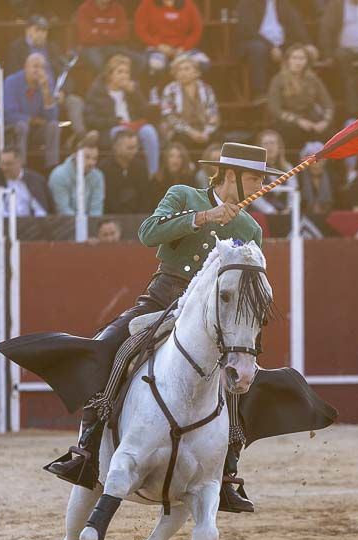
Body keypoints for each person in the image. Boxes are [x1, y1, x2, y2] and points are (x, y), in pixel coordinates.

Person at [38, 142, 293, 513]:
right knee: (110, 345)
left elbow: (246, 290)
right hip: (163, 298)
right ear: (231, 176)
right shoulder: (183, 195)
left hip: (213, 319)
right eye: (253, 178)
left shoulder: (249, 227)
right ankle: (87, 449)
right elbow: (147, 233)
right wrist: (204, 217)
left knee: (240, 379)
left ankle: (226, 471)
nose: (258, 185)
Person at [85, 54, 160, 179]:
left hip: (133, 127)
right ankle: (125, 171)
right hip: (110, 130)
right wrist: (115, 121)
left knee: (149, 131)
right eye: (120, 72)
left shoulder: (133, 90)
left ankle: (152, 174)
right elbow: (90, 120)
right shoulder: (97, 92)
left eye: (127, 72)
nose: (124, 75)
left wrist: (135, 94)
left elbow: (147, 113)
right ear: (110, 75)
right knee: (121, 133)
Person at [235, 0, 311, 97]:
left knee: (300, 51)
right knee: (258, 48)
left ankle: (302, 94)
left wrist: (308, 44)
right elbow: (249, 31)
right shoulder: (247, 3)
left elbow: (297, 24)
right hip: (253, 43)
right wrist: (271, 47)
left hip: (280, 43)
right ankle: (260, 93)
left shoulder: (283, 3)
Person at [267, 44, 335, 151]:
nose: (298, 62)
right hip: (287, 121)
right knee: (292, 132)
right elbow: (274, 109)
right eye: (294, 58)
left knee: (329, 134)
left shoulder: (313, 79)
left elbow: (327, 103)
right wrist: (297, 121)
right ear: (288, 60)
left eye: (301, 58)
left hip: (309, 117)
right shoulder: (278, 80)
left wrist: (325, 121)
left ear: (306, 61)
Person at [3, 53, 62, 170]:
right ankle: (21, 167)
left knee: (54, 126)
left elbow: (52, 117)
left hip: (35, 131)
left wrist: (45, 91)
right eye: (35, 66)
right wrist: (31, 120)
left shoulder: (46, 82)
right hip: (12, 128)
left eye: (43, 67)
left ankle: (52, 168)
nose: (39, 71)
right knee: (22, 126)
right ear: (26, 67)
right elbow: (8, 113)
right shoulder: (11, 81)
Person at [159, 54, 221, 148]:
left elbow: (213, 114)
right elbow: (169, 117)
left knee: (217, 138)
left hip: (203, 130)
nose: (182, 73)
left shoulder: (206, 89)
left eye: (186, 69)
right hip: (180, 130)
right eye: (179, 70)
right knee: (182, 139)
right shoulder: (170, 90)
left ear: (196, 72)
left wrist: (206, 132)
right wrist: (191, 132)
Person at [135, 0, 208, 76]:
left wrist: (183, 48)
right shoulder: (147, 3)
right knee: (157, 65)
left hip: (182, 49)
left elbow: (197, 30)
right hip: (157, 48)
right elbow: (140, 30)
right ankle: (161, 87)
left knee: (203, 63)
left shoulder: (188, 3)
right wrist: (159, 46)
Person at [0, 145, 53, 217]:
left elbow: (43, 209)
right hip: (4, 224)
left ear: (20, 162)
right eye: (2, 164)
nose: (4, 168)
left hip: (31, 223)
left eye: (8, 164)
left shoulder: (36, 180)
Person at [48, 134, 105, 215]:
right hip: (64, 224)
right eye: (87, 157)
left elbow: (96, 209)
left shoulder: (98, 176)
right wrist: (82, 224)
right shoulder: (58, 175)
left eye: (95, 158)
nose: (91, 163)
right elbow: (62, 210)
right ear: (75, 155)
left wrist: (91, 225)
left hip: (90, 224)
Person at [76, 0, 139, 72]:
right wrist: (111, 33)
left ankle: (127, 82)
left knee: (139, 60)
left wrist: (100, 32)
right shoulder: (84, 8)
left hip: (115, 47)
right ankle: (106, 82)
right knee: (103, 65)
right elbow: (86, 36)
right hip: (91, 48)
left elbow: (124, 34)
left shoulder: (118, 8)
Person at [101, 129, 152, 214]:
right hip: (111, 217)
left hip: (138, 218)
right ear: (116, 147)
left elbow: (145, 198)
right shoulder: (104, 168)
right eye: (130, 148)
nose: (134, 151)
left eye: (136, 147)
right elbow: (108, 199)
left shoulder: (141, 166)